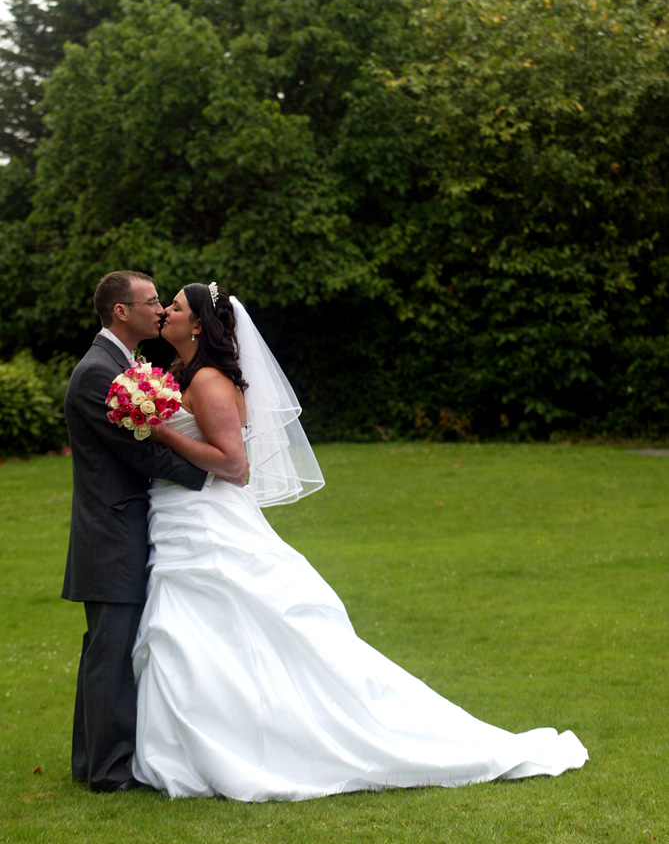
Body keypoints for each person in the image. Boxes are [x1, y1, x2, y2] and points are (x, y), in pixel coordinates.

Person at [132, 282, 588, 800]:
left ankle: (256, 743)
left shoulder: (209, 380)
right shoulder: (183, 375)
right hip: (181, 519)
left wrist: (160, 432)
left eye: (175, 307)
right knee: (200, 637)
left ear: (198, 325)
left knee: (221, 628)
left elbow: (235, 466)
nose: (165, 312)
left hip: (208, 524)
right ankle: (217, 738)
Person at [61, 270, 248, 793]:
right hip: (111, 530)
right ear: (122, 311)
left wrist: (219, 472)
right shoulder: (100, 373)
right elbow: (141, 452)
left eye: (166, 303)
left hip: (132, 522)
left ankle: (95, 762)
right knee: (111, 648)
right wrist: (211, 478)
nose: (161, 310)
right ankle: (109, 771)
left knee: (111, 647)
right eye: (152, 301)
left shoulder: (128, 366)